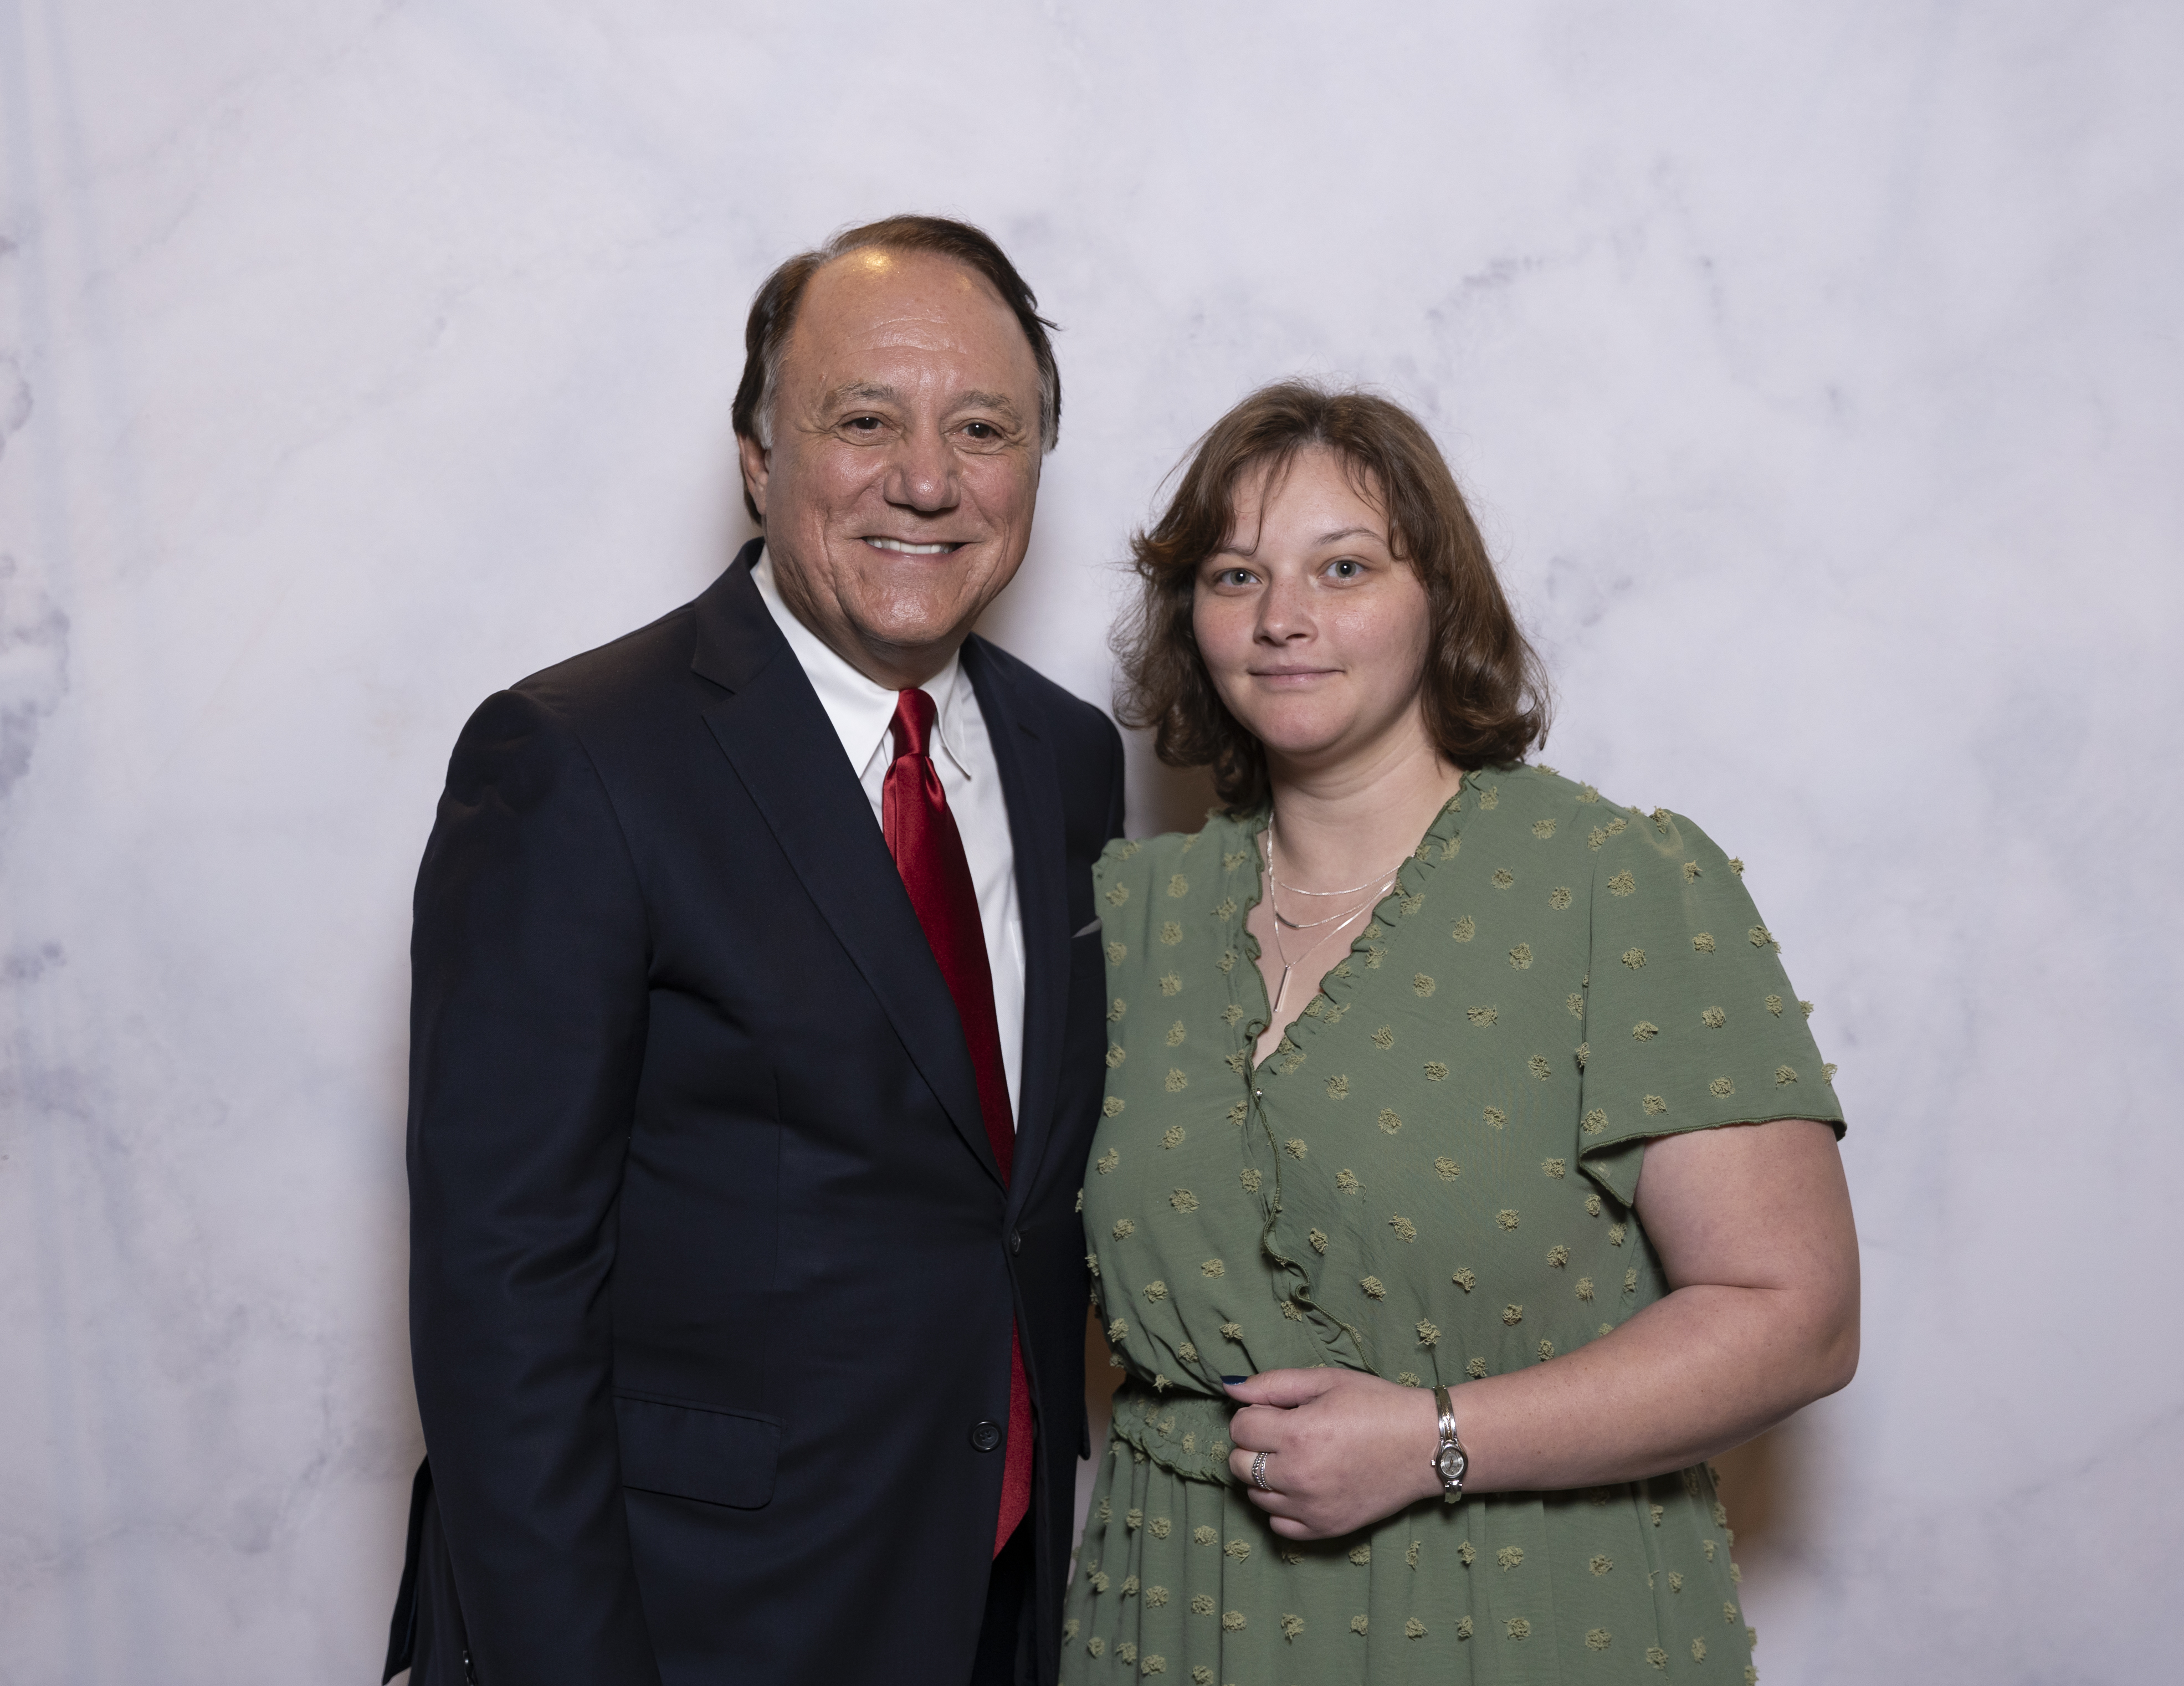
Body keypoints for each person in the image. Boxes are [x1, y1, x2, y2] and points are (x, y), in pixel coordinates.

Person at [384, 216, 1125, 1686]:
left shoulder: (1070, 760)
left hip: (993, 1602)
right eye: (865, 420)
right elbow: (500, 1296)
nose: (927, 479)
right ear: (756, 455)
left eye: (984, 428)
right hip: (688, 1618)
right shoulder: (575, 761)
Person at [1063, 381, 1857, 1683]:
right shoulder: (1128, 913)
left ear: (1441, 599)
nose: (1281, 617)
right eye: (1234, 574)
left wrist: (1434, 1439)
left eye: (1344, 567)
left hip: (1524, 1612)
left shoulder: (1616, 883)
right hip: (1176, 1613)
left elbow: (1796, 1314)